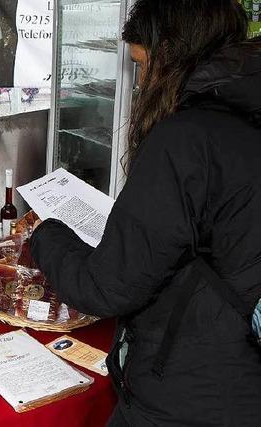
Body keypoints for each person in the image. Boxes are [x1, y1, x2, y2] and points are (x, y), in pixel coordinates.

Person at [30, 1, 261, 425]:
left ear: (172, 53)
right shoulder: (244, 114)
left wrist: (45, 235)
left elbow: (106, 288)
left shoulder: (188, 137)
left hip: (189, 393)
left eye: (142, 64)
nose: (139, 84)